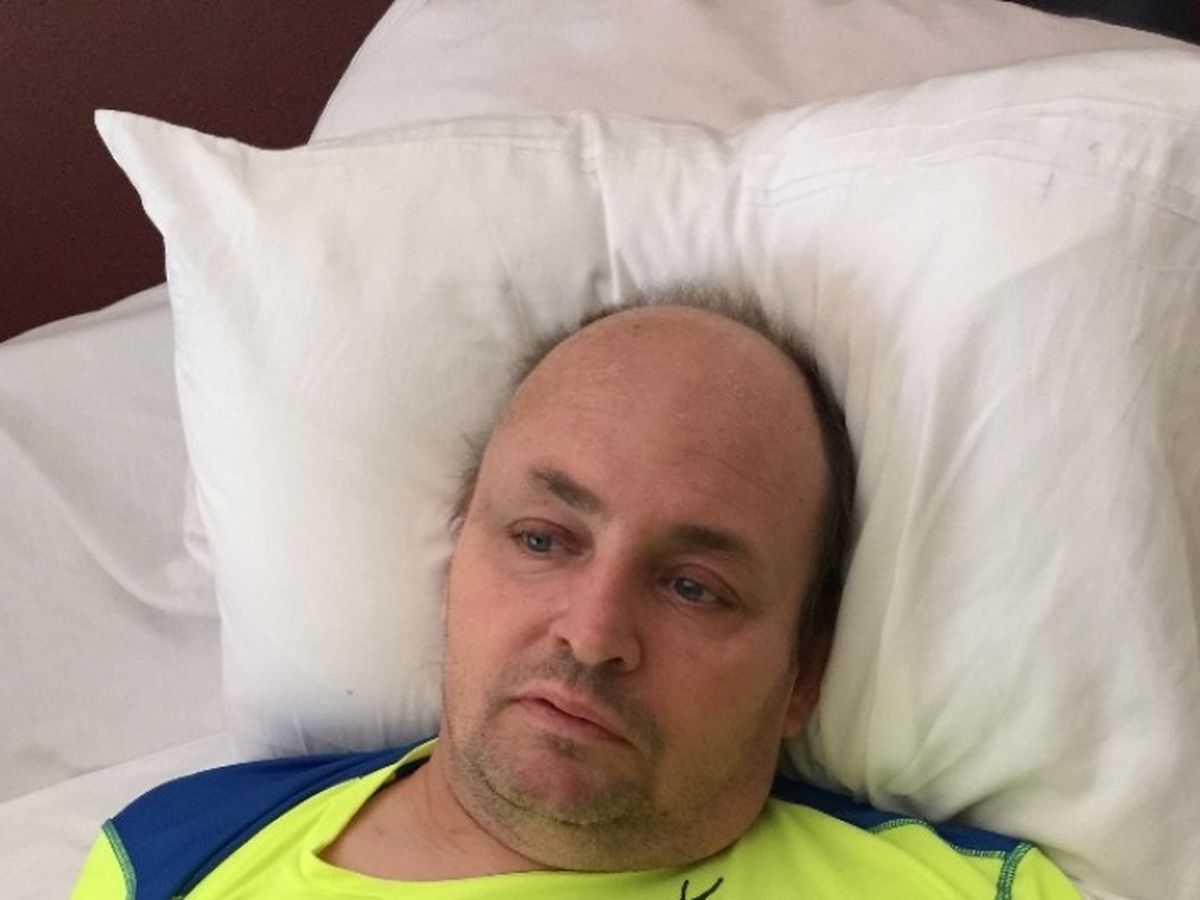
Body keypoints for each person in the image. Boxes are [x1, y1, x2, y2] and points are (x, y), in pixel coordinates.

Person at [72, 285, 1080, 898]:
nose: (594, 633)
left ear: (802, 676)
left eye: (693, 587)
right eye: (544, 539)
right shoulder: (168, 860)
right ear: (458, 556)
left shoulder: (973, 894)